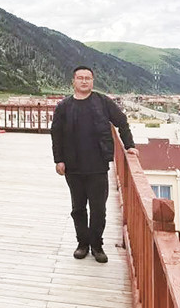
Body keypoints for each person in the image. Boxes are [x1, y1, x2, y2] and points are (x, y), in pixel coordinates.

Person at [50, 65, 138, 263]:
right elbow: (56, 134)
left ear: (92, 81)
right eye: (80, 78)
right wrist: (58, 160)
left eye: (87, 78)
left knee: (98, 209)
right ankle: (82, 244)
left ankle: (97, 246)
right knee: (78, 208)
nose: (84, 81)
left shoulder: (102, 102)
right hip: (73, 166)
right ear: (73, 81)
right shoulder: (64, 106)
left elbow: (121, 121)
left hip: (98, 166)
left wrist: (130, 146)